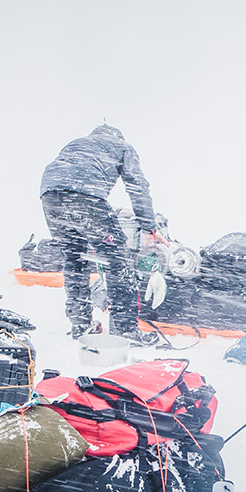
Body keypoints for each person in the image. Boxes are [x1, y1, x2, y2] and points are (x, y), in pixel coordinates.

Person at [40, 124, 160, 343]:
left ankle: (81, 325)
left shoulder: (76, 143)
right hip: (85, 196)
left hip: (50, 196)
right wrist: (149, 226)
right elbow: (137, 186)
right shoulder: (122, 146)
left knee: (74, 261)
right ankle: (125, 330)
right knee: (118, 262)